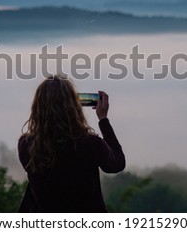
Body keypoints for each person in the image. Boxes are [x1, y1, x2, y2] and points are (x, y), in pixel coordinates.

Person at [17, 75, 125, 212]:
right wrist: (103, 119)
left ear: (37, 106)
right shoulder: (90, 144)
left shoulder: (27, 145)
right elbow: (117, 164)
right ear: (74, 106)